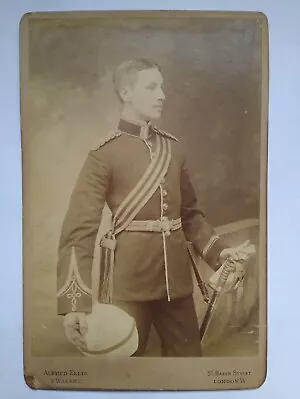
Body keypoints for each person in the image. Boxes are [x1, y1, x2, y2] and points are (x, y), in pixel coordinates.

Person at [57, 58, 244, 357]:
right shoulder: (103, 155)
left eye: (162, 86)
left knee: (188, 370)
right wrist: (74, 304)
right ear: (125, 93)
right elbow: (78, 231)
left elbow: (191, 216)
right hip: (128, 288)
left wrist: (219, 253)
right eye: (151, 87)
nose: (162, 95)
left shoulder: (174, 149)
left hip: (177, 288)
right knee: (127, 374)